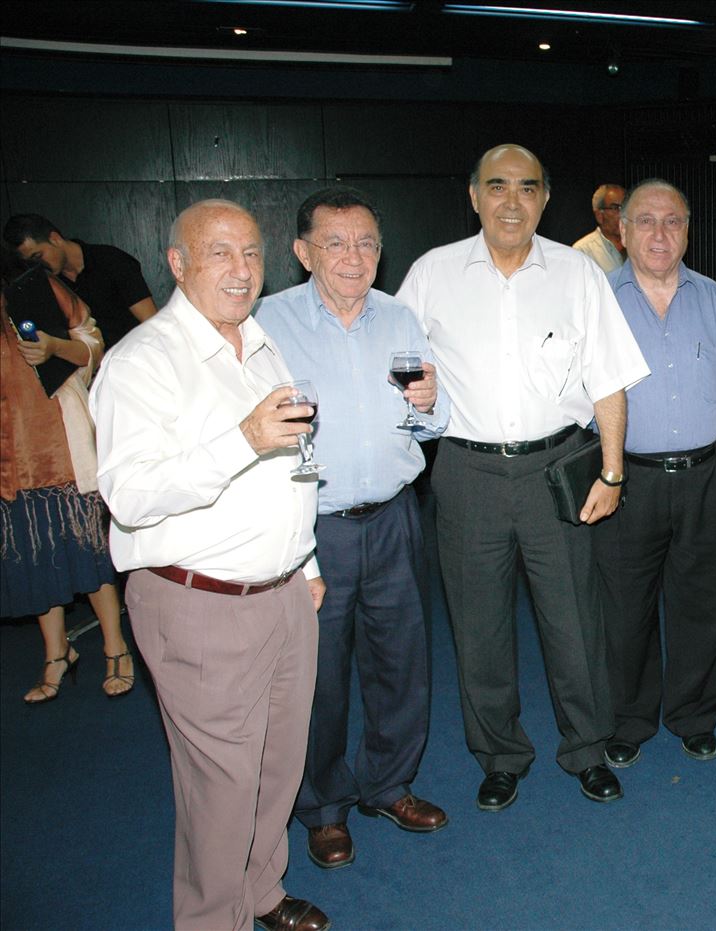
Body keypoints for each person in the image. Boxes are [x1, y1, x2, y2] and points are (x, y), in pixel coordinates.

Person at [91, 199, 330, 931]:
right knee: (220, 786)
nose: (241, 269)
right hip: (199, 601)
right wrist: (242, 439)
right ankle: (210, 919)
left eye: (252, 253)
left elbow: (292, 465)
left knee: (278, 765)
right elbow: (131, 495)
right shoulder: (142, 362)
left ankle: (261, 891)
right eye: (220, 252)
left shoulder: (260, 344)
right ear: (178, 262)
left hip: (285, 593)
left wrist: (306, 562)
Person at [397, 145, 649, 812]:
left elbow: (610, 379)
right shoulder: (431, 274)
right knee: (477, 626)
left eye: (527, 188)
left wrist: (613, 471)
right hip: (467, 471)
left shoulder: (578, 273)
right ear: (473, 196)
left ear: (545, 198)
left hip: (556, 469)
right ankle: (500, 756)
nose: (512, 201)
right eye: (497, 186)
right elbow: (393, 364)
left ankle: (587, 749)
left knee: (575, 622)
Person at [256, 186, 449, 873]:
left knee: (402, 662)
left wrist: (430, 401)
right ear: (302, 251)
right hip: (314, 528)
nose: (353, 256)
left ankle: (389, 784)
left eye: (366, 242)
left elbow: (433, 419)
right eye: (334, 242)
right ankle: (323, 806)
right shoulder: (267, 322)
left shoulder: (399, 317)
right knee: (319, 675)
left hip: (395, 516)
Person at [596, 179, 716, 768]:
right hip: (624, 480)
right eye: (645, 220)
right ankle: (629, 720)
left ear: (688, 231)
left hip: (707, 478)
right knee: (624, 608)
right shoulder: (595, 302)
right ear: (622, 230)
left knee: (704, 605)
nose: (659, 233)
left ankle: (693, 715)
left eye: (672, 221)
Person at [2, 269, 135, 702]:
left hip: (63, 446)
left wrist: (54, 347)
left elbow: (93, 342)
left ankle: (116, 647)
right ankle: (57, 653)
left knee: (89, 553)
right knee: (35, 560)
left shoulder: (31, 286)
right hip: (11, 461)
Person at [4, 214, 157, 347]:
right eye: (31, 262)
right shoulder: (47, 283)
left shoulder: (110, 260)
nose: (39, 264)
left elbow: (150, 320)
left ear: (55, 239)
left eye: (38, 256)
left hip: (133, 355)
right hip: (89, 364)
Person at [572, 183, 627, 273]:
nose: (623, 213)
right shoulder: (583, 251)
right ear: (599, 216)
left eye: (625, 207)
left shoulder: (638, 245)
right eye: (615, 208)